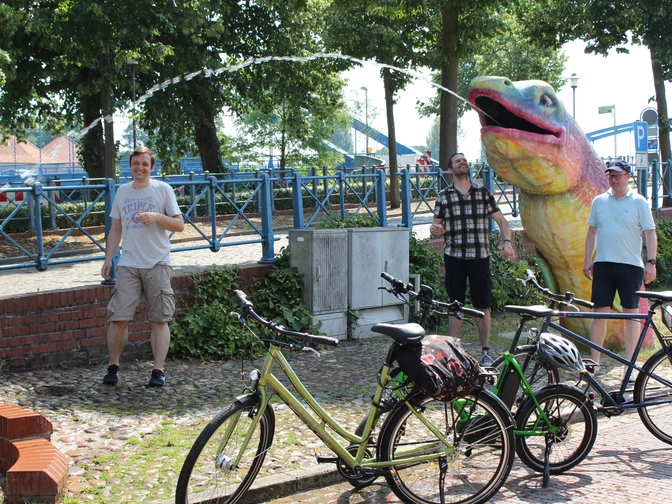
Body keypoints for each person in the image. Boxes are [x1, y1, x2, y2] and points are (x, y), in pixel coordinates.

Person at [101, 146, 185, 387]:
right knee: (118, 316)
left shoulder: (163, 189)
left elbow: (179, 226)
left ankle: (158, 370)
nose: (140, 168)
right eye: (135, 164)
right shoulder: (122, 191)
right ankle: (113, 365)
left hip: (157, 262)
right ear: (130, 166)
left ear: (152, 167)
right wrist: (109, 259)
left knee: (160, 318)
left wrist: (157, 217)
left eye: (144, 164)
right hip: (128, 263)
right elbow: (116, 228)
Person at [430, 153, 516, 365]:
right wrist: (435, 230)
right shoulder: (444, 196)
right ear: (450, 170)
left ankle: (486, 350)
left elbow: (503, 222)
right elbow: (435, 227)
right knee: (455, 305)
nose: (462, 162)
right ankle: (454, 351)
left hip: (480, 257)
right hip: (455, 257)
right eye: (457, 160)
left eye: (464, 159)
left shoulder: (483, 193)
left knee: (482, 305)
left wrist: (507, 241)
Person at [583, 159, 657, 379]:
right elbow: (592, 232)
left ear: (627, 176)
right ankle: (593, 364)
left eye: (617, 175)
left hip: (630, 265)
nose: (613, 180)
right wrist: (588, 259)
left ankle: (630, 365)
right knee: (599, 315)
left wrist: (651, 262)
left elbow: (650, 233)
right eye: (610, 176)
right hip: (604, 264)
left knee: (631, 316)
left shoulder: (639, 202)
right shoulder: (599, 201)